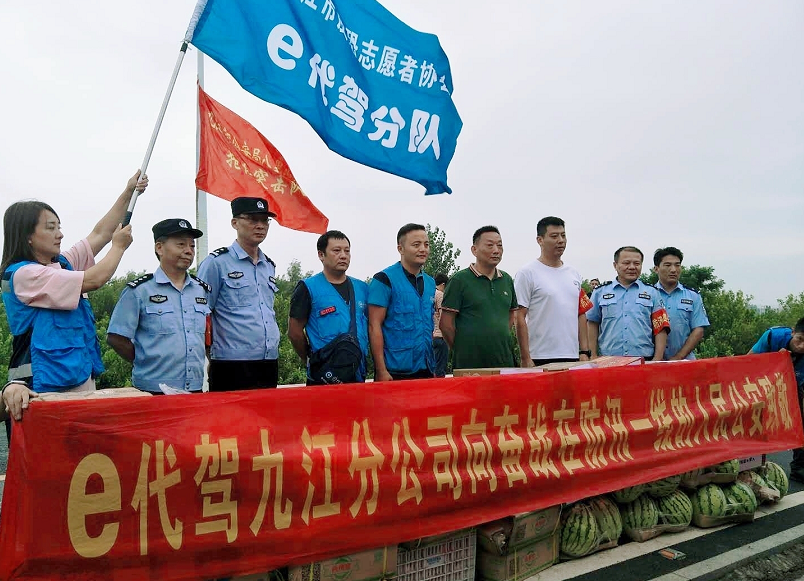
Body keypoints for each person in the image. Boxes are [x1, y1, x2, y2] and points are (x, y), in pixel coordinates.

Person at [1, 171, 148, 422]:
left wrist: (129, 191)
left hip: (76, 381)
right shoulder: (25, 274)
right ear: (28, 236)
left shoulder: (62, 265)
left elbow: (100, 233)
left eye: (59, 227)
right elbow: (94, 279)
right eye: (50, 228)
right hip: (40, 389)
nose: (59, 234)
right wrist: (119, 247)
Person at [106, 218, 210, 394]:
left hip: (194, 389)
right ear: (159, 248)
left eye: (192, 246)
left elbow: (207, 336)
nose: (188, 251)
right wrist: (143, 359)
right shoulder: (140, 290)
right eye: (181, 244)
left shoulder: (201, 290)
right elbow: (116, 337)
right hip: (152, 390)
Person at [197, 197, 281, 391]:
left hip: (268, 360)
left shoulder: (268, 265)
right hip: (231, 363)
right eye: (252, 219)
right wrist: (211, 356)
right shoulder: (216, 263)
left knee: (266, 412)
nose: (260, 226)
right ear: (234, 223)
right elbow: (201, 314)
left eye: (264, 220)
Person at [288, 231, 369, 385]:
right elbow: (294, 332)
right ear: (321, 255)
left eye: (347, 251)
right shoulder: (308, 287)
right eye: (336, 250)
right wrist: (311, 359)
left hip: (357, 374)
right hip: (324, 377)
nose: (343, 256)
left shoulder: (362, 288)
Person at [514, 216, 593, 367]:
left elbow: (581, 313)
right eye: (554, 236)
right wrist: (525, 358)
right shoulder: (527, 273)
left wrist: (584, 351)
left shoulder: (573, 274)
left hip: (572, 356)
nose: (561, 240)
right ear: (540, 240)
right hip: (539, 356)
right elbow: (519, 317)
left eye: (563, 235)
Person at [440, 226, 518, 370]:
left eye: (499, 245)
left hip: (503, 360)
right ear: (474, 250)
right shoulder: (459, 280)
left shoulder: (507, 280)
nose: (496, 250)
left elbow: (510, 315)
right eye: (490, 245)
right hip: (469, 364)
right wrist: (463, 349)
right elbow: (446, 324)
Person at [368, 223, 435, 381]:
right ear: (401, 249)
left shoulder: (430, 283)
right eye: (416, 245)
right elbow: (373, 325)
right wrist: (381, 370)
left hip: (426, 367)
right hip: (395, 372)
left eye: (426, 245)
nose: (423, 249)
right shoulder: (384, 280)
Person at [587, 246, 670, 360]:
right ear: (615, 265)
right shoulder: (600, 292)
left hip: (644, 359)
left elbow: (660, 327)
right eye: (626, 263)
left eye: (637, 263)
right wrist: (592, 355)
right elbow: (592, 323)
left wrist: (657, 359)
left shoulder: (652, 292)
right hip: (608, 359)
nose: (632, 267)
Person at [749, 317, 804, 481]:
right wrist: (773, 361)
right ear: (793, 332)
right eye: (799, 339)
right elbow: (748, 361)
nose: (801, 346)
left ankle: (799, 467)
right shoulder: (773, 336)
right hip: (763, 382)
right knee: (754, 421)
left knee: (801, 421)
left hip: (795, 385)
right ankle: (749, 463)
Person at [652, 247, 710, 360]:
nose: (673, 270)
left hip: (685, 361)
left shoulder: (693, 296)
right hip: (652, 361)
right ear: (656, 269)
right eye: (668, 265)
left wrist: (678, 357)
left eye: (677, 265)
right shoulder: (648, 295)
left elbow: (698, 330)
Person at [432, 273, 450, 377]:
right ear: (443, 284)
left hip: (432, 336)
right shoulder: (440, 295)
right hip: (441, 336)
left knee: (433, 368)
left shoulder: (431, 294)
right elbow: (443, 317)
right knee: (440, 370)